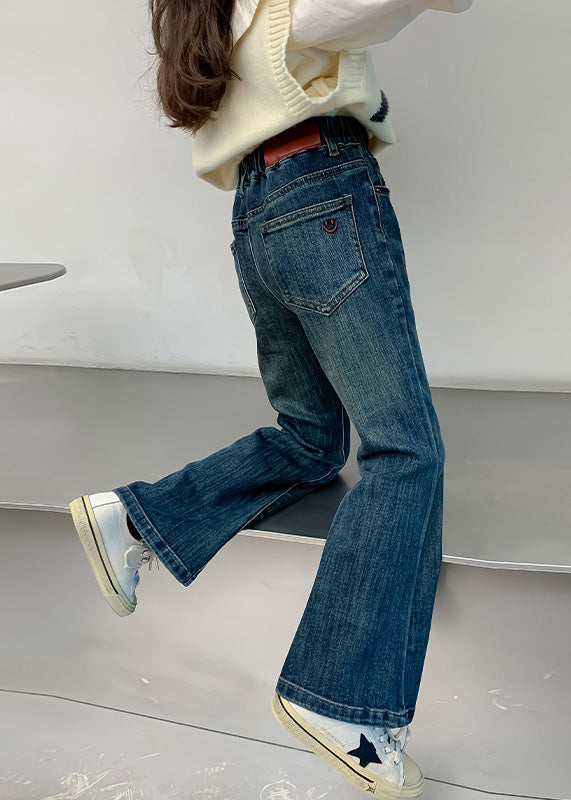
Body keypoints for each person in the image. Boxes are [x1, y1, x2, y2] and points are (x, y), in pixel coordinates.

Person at [68, 0, 473, 795]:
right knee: (404, 451)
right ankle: (340, 699)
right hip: (324, 194)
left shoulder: (213, 17)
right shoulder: (279, 7)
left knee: (309, 438)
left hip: (256, 216)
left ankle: (137, 518)